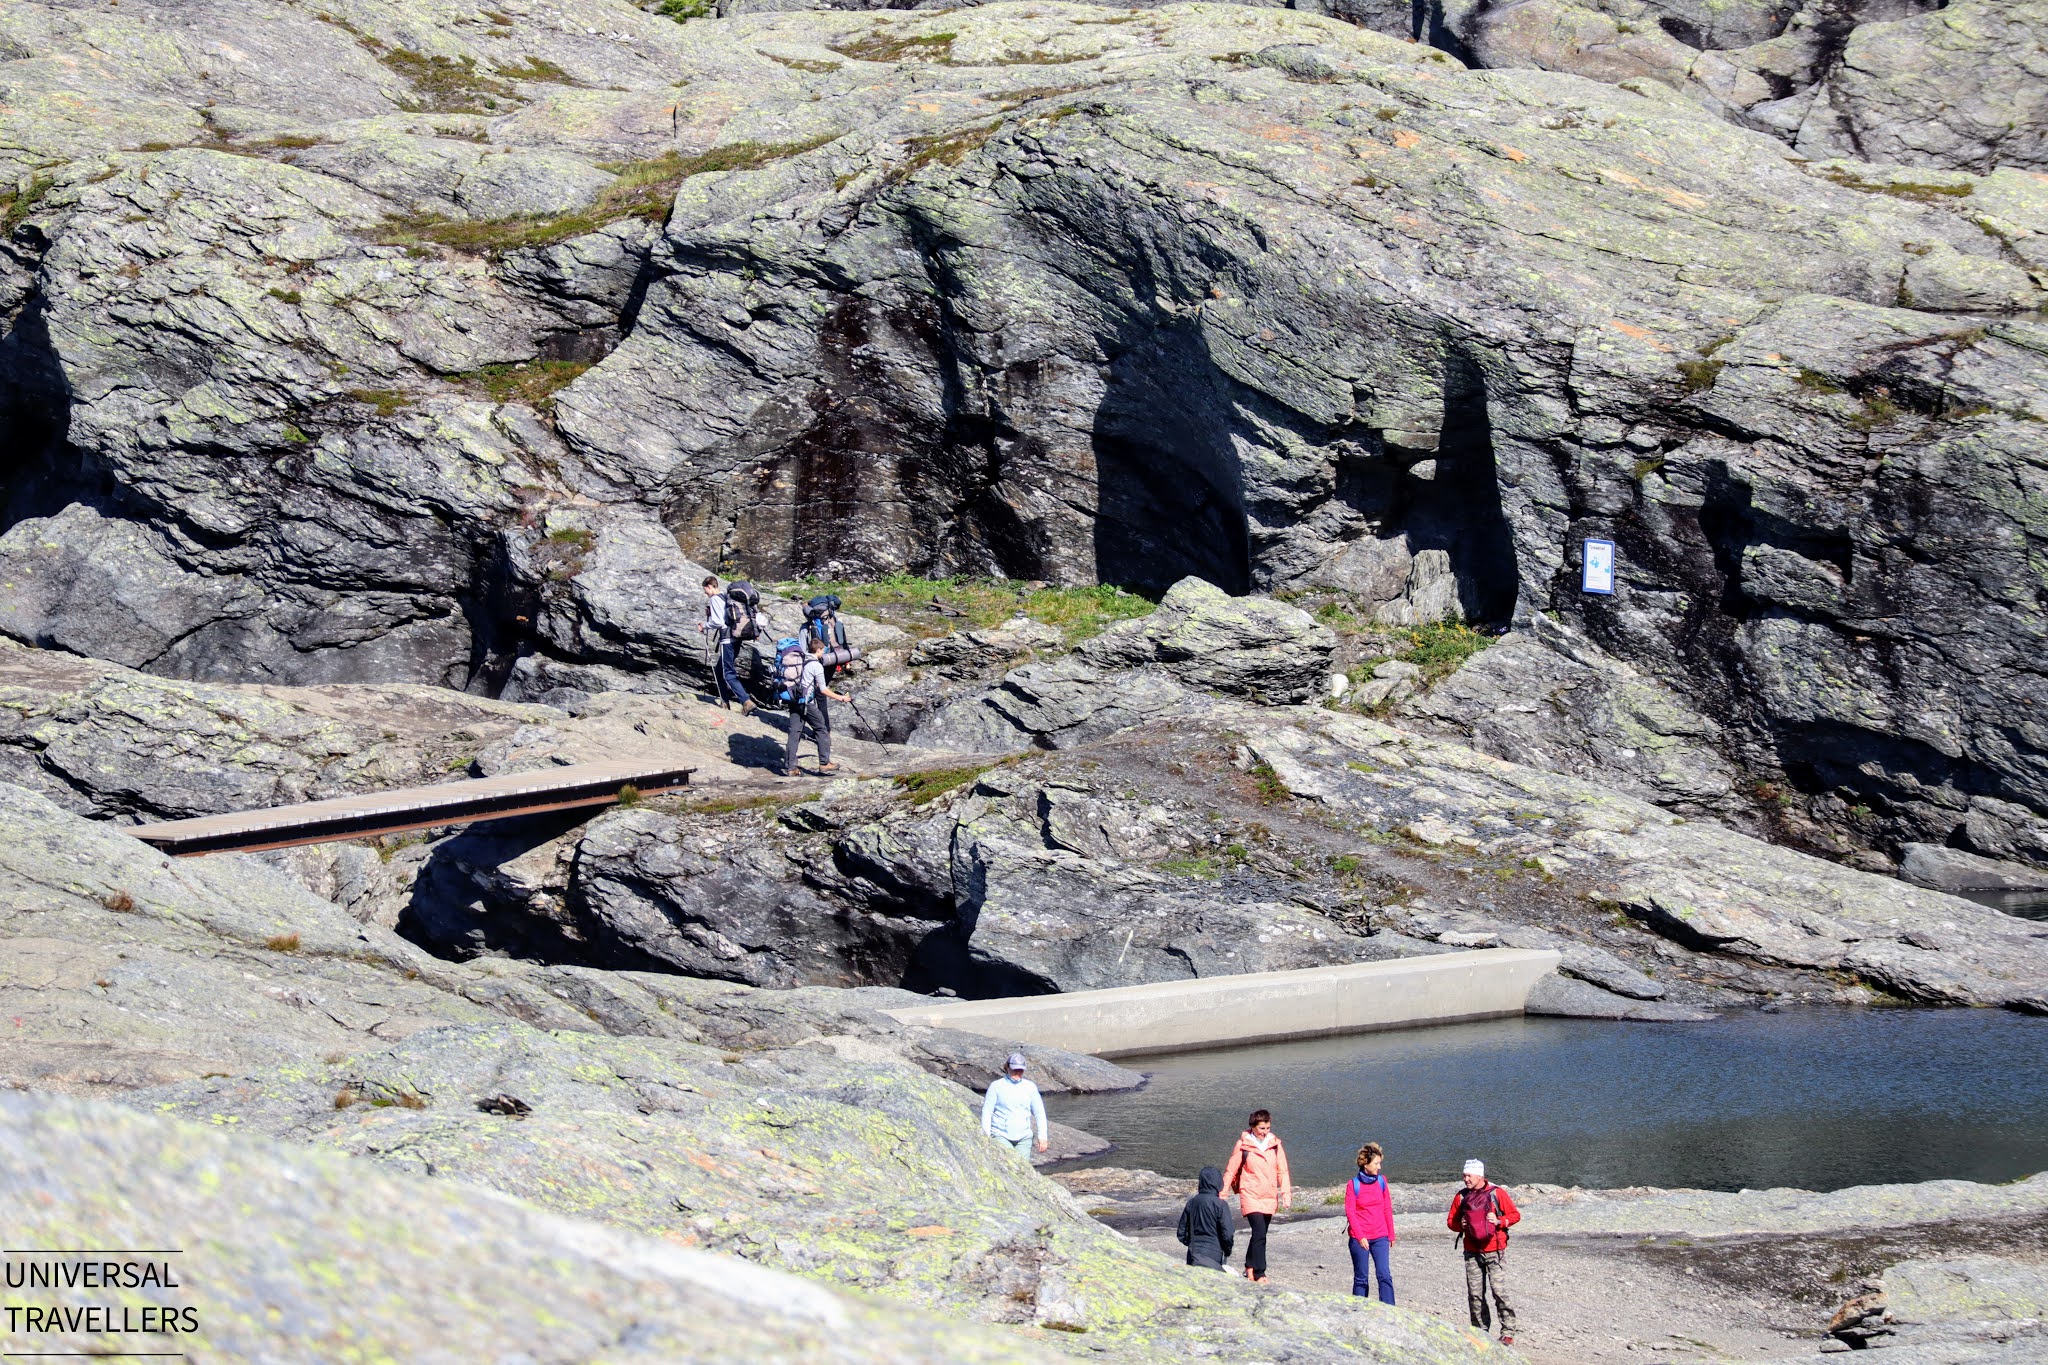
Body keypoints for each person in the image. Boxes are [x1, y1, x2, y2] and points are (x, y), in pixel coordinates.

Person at [1448, 1158, 1521, 1345]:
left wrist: (1499, 1221)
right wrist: (1460, 1225)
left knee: (1499, 1291)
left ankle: (1508, 1331)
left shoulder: (1497, 1193)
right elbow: (1451, 1222)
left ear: (1479, 1175)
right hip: (1471, 1251)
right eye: (1464, 1175)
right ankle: (1480, 1331)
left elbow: (1515, 1215)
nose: (1465, 1179)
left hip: (1495, 1250)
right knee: (1475, 1293)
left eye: (1468, 1175)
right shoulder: (1461, 1197)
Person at [1221, 1108, 1291, 1283]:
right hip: (1250, 1194)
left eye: (1267, 1128)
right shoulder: (1243, 1145)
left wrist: (1286, 1194)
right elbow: (1231, 1170)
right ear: (1252, 1127)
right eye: (1262, 1128)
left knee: (1260, 1234)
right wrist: (1223, 1193)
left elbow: (1283, 1170)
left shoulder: (1275, 1144)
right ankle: (1260, 1273)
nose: (1265, 1132)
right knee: (1259, 1232)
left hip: (1268, 1195)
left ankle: (1249, 1266)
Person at [779, 636, 850, 778]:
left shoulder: (802, 658)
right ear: (818, 650)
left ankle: (791, 767)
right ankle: (824, 763)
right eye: (823, 650)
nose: (823, 653)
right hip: (807, 703)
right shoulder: (816, 665)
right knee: (821, 729)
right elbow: (823, 689)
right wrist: (841, 698)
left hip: (794, 700)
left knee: (794, 733)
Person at [1344, 1142, 1396, 1304]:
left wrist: (1391, 1234)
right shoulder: (1353, 1185)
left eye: (1380, 1163)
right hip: (1360, 1239)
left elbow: (1387, 1208)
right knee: (1361, 1278)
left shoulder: (1382, 1181)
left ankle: (1390, 1312)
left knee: (1384, 1275)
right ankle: (1358, 1312)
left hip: (1381, 1236)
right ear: (1365, 1164)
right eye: (1376, 1163)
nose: (1379, 1167)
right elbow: (1350, 1213)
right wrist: (1360, 1237)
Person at [698, 576, 754, 716]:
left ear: (710, 586)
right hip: (736, 638)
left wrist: (704, 625)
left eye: (706, 589)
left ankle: (746, 702)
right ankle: (725, 702)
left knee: (728, 673)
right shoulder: (725, 597)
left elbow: (718, 622)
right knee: (719, 671)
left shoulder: (715, 599)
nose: (705, 592)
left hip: (727, 640)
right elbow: (725, 616)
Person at [978, 1052, 1048, 1157]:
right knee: (1011, 1162)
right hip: (1000, 1135)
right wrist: (986, 1136)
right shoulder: (996, 1086)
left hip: (1024, 1137)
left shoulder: (1030, 1087)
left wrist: (1042, 1137)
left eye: (1020, 1070)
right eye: (1014, 1069)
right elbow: (987, 1112)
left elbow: (1039, 1113)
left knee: (1023, 1170)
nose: (1017, 1073)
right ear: (1007, 1067)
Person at [1177, 1166, 1236, 1272]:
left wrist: (1191, 1243)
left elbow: (1181, 1233)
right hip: (1214, 1255)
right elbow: (1227, 1234)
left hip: (1193, 1254)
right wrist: (1227, 1251)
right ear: (1219, 1183)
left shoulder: (1191, 1202)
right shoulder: (1221, 1205)